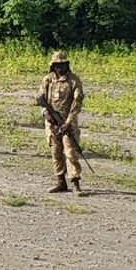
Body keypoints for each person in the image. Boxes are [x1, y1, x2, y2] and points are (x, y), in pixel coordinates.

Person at [35, 51, 84, 194]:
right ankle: (61, 181)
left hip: (68, 123)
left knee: (70, 152)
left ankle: (75, 182)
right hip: (52, 123)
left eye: (63, 64)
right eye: (57, 65)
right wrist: (46, 113)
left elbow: (77, 103)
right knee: (55, 152)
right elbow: (40, 99)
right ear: (53, 66)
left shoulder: (74, 81)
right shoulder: (47, 80)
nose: (60, 67)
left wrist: (68, 122)